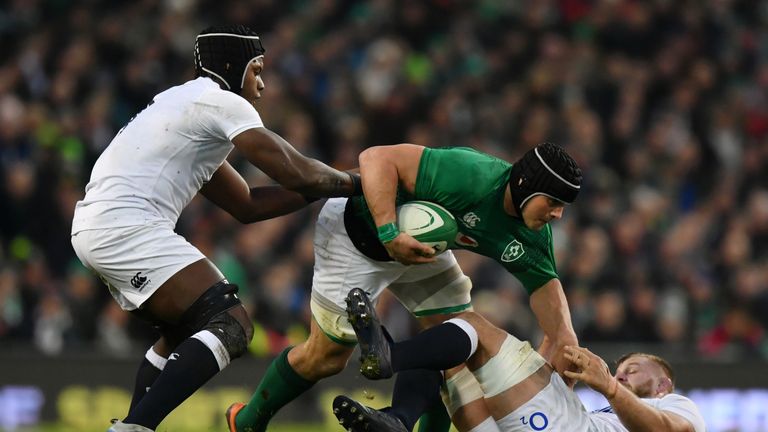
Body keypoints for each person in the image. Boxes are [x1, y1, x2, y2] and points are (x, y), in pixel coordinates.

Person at [70, 25, 362, 432]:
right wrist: (357, 181)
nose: (261, 84)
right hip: (125, 225)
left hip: (97, 225)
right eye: (256, 70)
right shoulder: (221, 101)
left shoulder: (182, 105)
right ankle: (134, 428)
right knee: (232, 323)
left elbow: (246, 205)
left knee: (178, 332)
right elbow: (296, 172)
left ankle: (135, 426)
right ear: (232, 65)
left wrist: (326, 188)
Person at [228, 142, 583, 432]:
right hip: (359, 232)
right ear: (524, 186)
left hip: (421, 250)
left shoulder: (533, 236)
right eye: (552, 202)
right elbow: (375, 158)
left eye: (563, 206)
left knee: (455, 339)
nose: (557, 215)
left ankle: (399, 419)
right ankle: (247, 421)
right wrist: (388, 231)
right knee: (325, 359)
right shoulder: (473, 175)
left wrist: (564, 343)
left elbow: (551, 303)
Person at [333, 287, 707, 432]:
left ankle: (389, 356)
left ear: (663, 384)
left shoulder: (680, 407)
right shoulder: (608, 417)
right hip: (546, 423)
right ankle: (397, 421)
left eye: (635, 369)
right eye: (621, 369)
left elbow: (663, 431)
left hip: (558, 426)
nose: (623, 373)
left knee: (472, 328)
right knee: (446, 355)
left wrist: (608, 384)